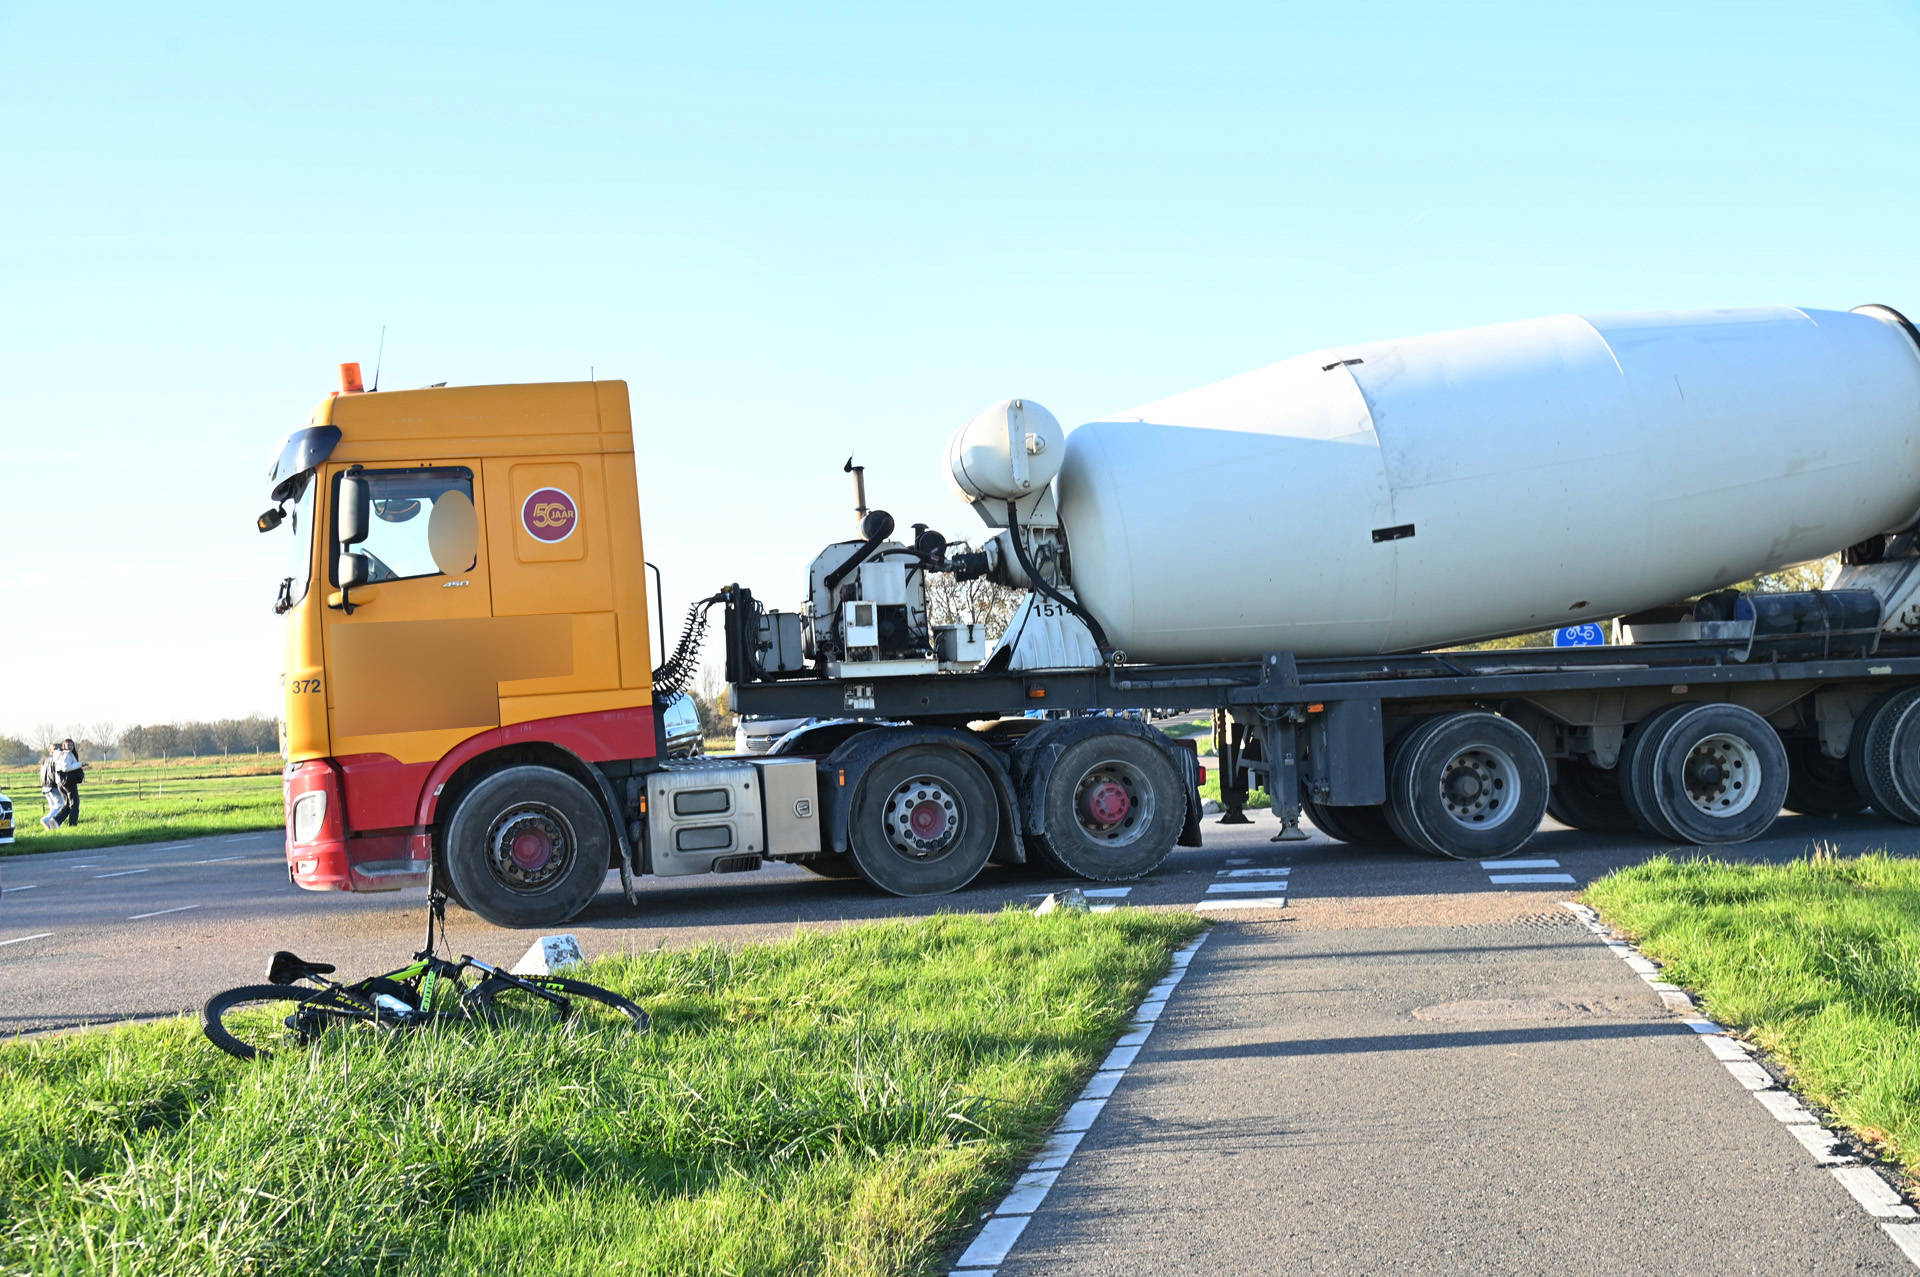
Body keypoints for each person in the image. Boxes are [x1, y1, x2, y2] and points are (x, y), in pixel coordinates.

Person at [54, 739, 83, 826]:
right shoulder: (66, 754)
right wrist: (80, 764)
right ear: (63, 746)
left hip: (60, 782)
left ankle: (55, 821)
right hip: (68, 782)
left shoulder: (59, 755)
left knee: (67, 804)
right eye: (68, 745)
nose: (70, 746)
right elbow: (66, 768)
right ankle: (73, 825)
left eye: (72, 745)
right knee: (74, 804)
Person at [39, 745, 65, 830]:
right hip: (53, 786)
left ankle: (52, 828)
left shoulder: (45, 760)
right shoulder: (56, 760)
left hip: (45, 787)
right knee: (60, 806)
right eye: (58, 749)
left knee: (53, 808)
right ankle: (46, 820)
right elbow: (57, 774)